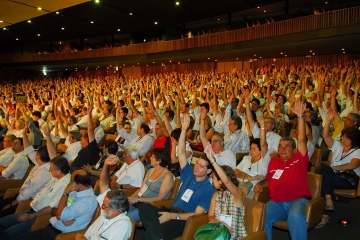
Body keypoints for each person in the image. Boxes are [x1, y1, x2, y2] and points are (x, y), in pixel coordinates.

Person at [139, 114, 215, 239]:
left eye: (201, 166)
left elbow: (197, 214)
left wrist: (173, 216)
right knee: (145, 208)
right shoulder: (189, 174)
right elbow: (180, 153)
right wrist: (184, 130)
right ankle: (158, 236)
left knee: (151, 232)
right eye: (197, 164)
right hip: (170, 210)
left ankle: (155, 235)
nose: (196, 167)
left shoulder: (208, 189)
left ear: (208, 171)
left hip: (183, 220)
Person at [254, 99, 311, 240]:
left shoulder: (299, 159)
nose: (282, 149)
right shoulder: (273, 161)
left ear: (294, 149)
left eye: (287, 146)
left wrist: (300, 117)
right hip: (276, 203)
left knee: (295, 216)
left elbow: (302, 140)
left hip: (297, 201)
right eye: (280, 146)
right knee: (262, 213)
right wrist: (260, 184)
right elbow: (268, 181)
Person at [10, 170, 97, 240]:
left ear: (78, 185)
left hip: (58, 236)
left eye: (70, 181)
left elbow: (59, 215)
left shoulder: (87, 201)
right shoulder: (75, 192)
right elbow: (54, 210)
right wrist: (60, 214)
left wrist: (65, 193)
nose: (68, 184)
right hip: (49, 229)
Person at [0, 156, 71, 239]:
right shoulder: (57, 177)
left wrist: (29, 216)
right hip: (31, 210)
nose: (49, 171)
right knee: (1, 222)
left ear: (58, 171)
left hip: (38, 216)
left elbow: (50, 208)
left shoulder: (65, 185)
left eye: (51, 169)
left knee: (9, 232)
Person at [316, 109, 360, 228]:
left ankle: (325, 211)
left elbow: (353, 165)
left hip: (346, 180)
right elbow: (325, 135)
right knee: (326, 175)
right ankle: (327, 202)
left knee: (326, 173)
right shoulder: (338, 146)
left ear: (353, 141)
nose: (343, 140)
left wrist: (334, 167)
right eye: (343, 137)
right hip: (333, 177)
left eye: (347, 138)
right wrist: (329, 119)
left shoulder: (357, 151)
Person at [75, 156, 132, 240]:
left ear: (115, 211)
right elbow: (103, 184)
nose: (101, 206)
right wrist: (106, 165)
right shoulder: (108, 210)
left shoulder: (123, 225)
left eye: (104, 206)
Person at [0, 126, 51, 217]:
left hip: (24, 201)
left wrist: (12, 203)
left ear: (38, 156)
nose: (34, 154)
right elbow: (29, 150)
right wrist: (24, 134)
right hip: (20, 193)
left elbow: (29, 192)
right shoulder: (39, 163)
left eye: (36, 153)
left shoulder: (44, 172)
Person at [205, 146, 247, 239]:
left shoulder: (236, 194)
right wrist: (219, 222)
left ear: (221, 181)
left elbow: (227, 181)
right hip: (218, 234)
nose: (212, 181)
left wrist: (212, 160)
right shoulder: (215, 195)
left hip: (234, 236)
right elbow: (210, 216)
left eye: (213, 178)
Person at [127, 148, 174, 222]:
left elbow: (159, 198)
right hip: (140, 201)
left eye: (153, 157)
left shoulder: (168, 176)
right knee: (119, 212)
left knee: (127, 219)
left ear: (159, 161)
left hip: (151, 206)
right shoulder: (151, 170)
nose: (150, 158)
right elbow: (141, 189)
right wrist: (130, 199)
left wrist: (138, 199)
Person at [235, 116, 270, 198]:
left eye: (254, 149)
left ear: (261, 150)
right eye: (250, 148)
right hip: (238, 186)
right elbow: (236, 172)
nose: (251, 151)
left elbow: (263, 144)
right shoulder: (246, 158)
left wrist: (262, 126)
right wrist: (250, 177)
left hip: (251, 191)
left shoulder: (264, 161)